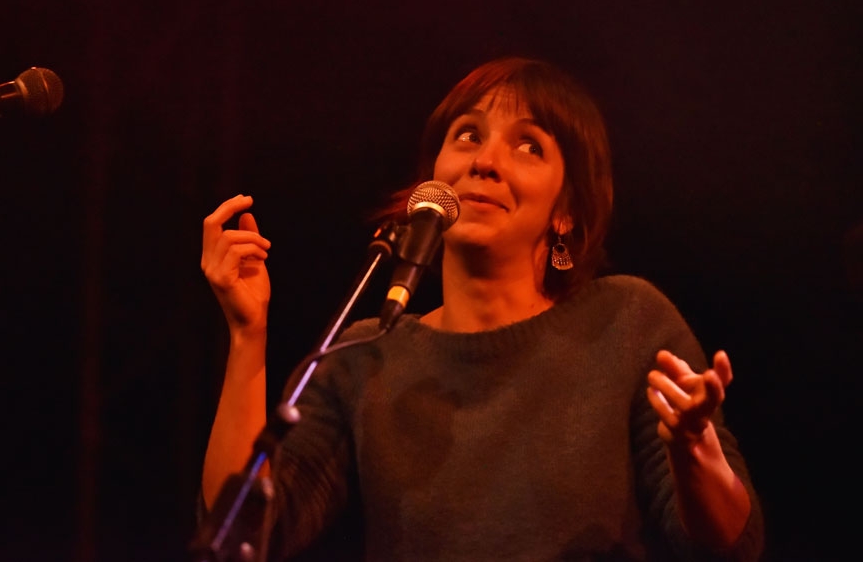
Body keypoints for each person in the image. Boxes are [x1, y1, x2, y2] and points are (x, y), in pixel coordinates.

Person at [199, 57, 765, 560]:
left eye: (529, 146)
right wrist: (249, 336)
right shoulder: (366, 355)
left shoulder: (627, 321)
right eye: (467, 135)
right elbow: (249, 534)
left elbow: (732, 543)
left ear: (566, 212)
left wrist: (692, 449)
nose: (486, 161)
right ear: (431, 183)